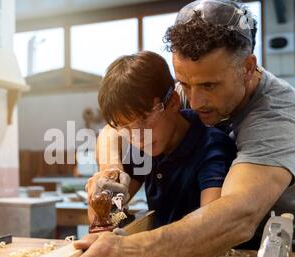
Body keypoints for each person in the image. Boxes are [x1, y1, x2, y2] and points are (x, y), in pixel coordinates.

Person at [67, 0, 295, 257]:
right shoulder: (189, 90)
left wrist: (136, 254)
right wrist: (112, 171)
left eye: (209, 86)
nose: (194, 100)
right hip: (218, 252)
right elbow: (113, 129)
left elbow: (237, 215)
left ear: (248, 67)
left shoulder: (279, 118)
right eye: (184, 84)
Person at [91, 50, 236, 230]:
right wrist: (108, 205)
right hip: (162, 252)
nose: (138, 136)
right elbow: (109, 214)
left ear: (173, 102)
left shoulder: (211, 147)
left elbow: (212, 226)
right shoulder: (145, 146)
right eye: (125, 127)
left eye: (145, 118)